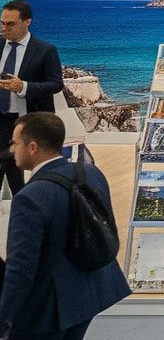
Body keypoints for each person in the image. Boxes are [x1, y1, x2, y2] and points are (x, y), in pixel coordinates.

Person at [0, 112, 131, 338]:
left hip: (51, 306)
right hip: (93, 291)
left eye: (15, 143)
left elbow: (21, 267)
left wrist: (4, 317)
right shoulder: (91, 173)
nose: (11, 150)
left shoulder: (29, 197)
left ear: (32, 147)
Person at [0, 0, 64, 194]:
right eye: (2, 23)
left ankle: (24, 209)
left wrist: (24, 87)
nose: (4, 28)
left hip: (28, 121)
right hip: (0, 119)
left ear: (27, 22)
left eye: (10, 24)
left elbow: (56, 84)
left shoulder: (45, 50)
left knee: (18, 173)